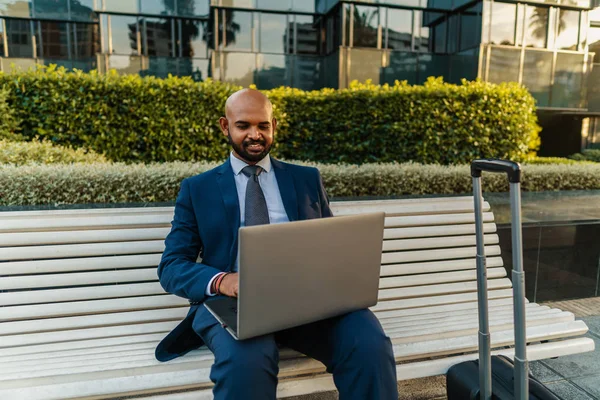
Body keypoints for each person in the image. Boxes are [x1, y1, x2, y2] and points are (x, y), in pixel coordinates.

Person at [156, 88, 398, 400]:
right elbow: (172, 266)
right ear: (224, 126)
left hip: (307, 301)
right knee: (247, 363)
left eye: (263, 126)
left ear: (274, 126)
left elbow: (329, 244)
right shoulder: (197, 190)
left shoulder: (306, 179)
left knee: (368, 344)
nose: (254, 135)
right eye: (243, 126)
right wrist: (223, 281)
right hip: (234, 305)